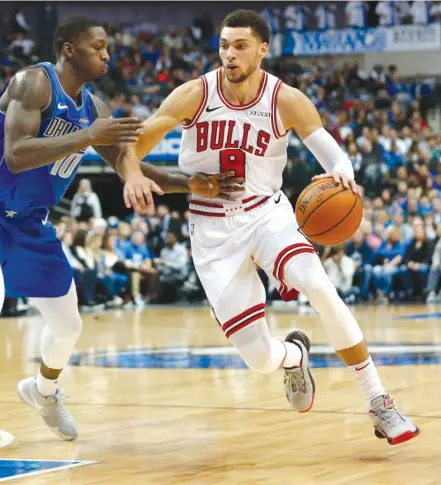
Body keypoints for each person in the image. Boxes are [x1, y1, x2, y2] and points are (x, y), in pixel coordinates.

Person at [0, 17, 244, 472]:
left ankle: (43, 390)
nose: (107, 55)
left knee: (69, 326)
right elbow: (15, 155)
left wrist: (192, 184)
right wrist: (89, 136)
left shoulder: (94, 107)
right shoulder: (33, 83)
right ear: (69, 50)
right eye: (98, 46)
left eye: (108, 47)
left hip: (32, 225)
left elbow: (131, 167)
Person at [120, 10, 419, 446]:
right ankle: (294, 354)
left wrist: (344, 174)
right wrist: (134, 175)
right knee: (260, 360)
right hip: (211, 231)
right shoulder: (193, 94)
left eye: (240, 45)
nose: (229, 54)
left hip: (266, 214)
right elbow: (132, 148)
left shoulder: (286, 99)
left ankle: (378, 401)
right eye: (224, 44)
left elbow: (332, 155)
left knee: (319, 286)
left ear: (263, 49)